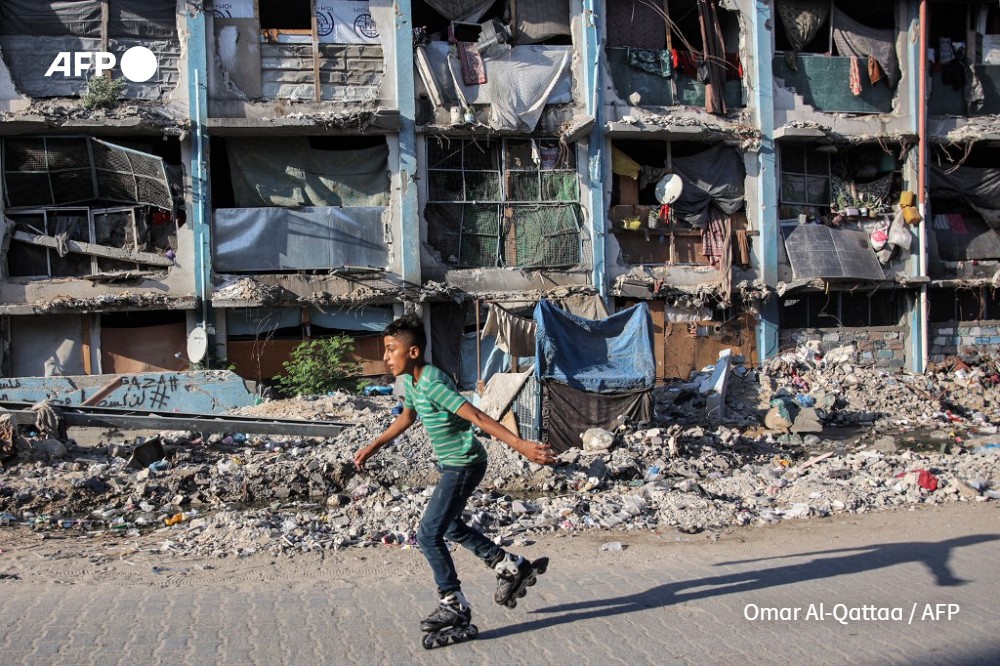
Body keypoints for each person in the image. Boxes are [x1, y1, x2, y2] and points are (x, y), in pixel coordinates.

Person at [354, 314, 556, 636]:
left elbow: (475, 415)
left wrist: (521, 445)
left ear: (413, 352)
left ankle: (453, 604)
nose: (385, 357)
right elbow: (407, 417)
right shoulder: (411, 382)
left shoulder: (433, 382)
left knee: (427, 534)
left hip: (464, 463)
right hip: (453, 464)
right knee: (448, 526)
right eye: (386, 350)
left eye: (392, 349)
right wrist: (373, 446)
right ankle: (509, 565)